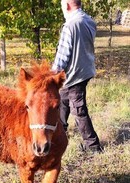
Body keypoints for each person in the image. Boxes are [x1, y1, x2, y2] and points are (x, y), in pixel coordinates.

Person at [52, 0, 103, 153]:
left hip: (73, 75)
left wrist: (50, 75)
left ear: (67, 5)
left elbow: (62, 57)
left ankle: (93, 146)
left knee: (78, 110)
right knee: (62, 103)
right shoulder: (89, 20)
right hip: (85, 71)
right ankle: (57, 137)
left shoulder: (70, 25)